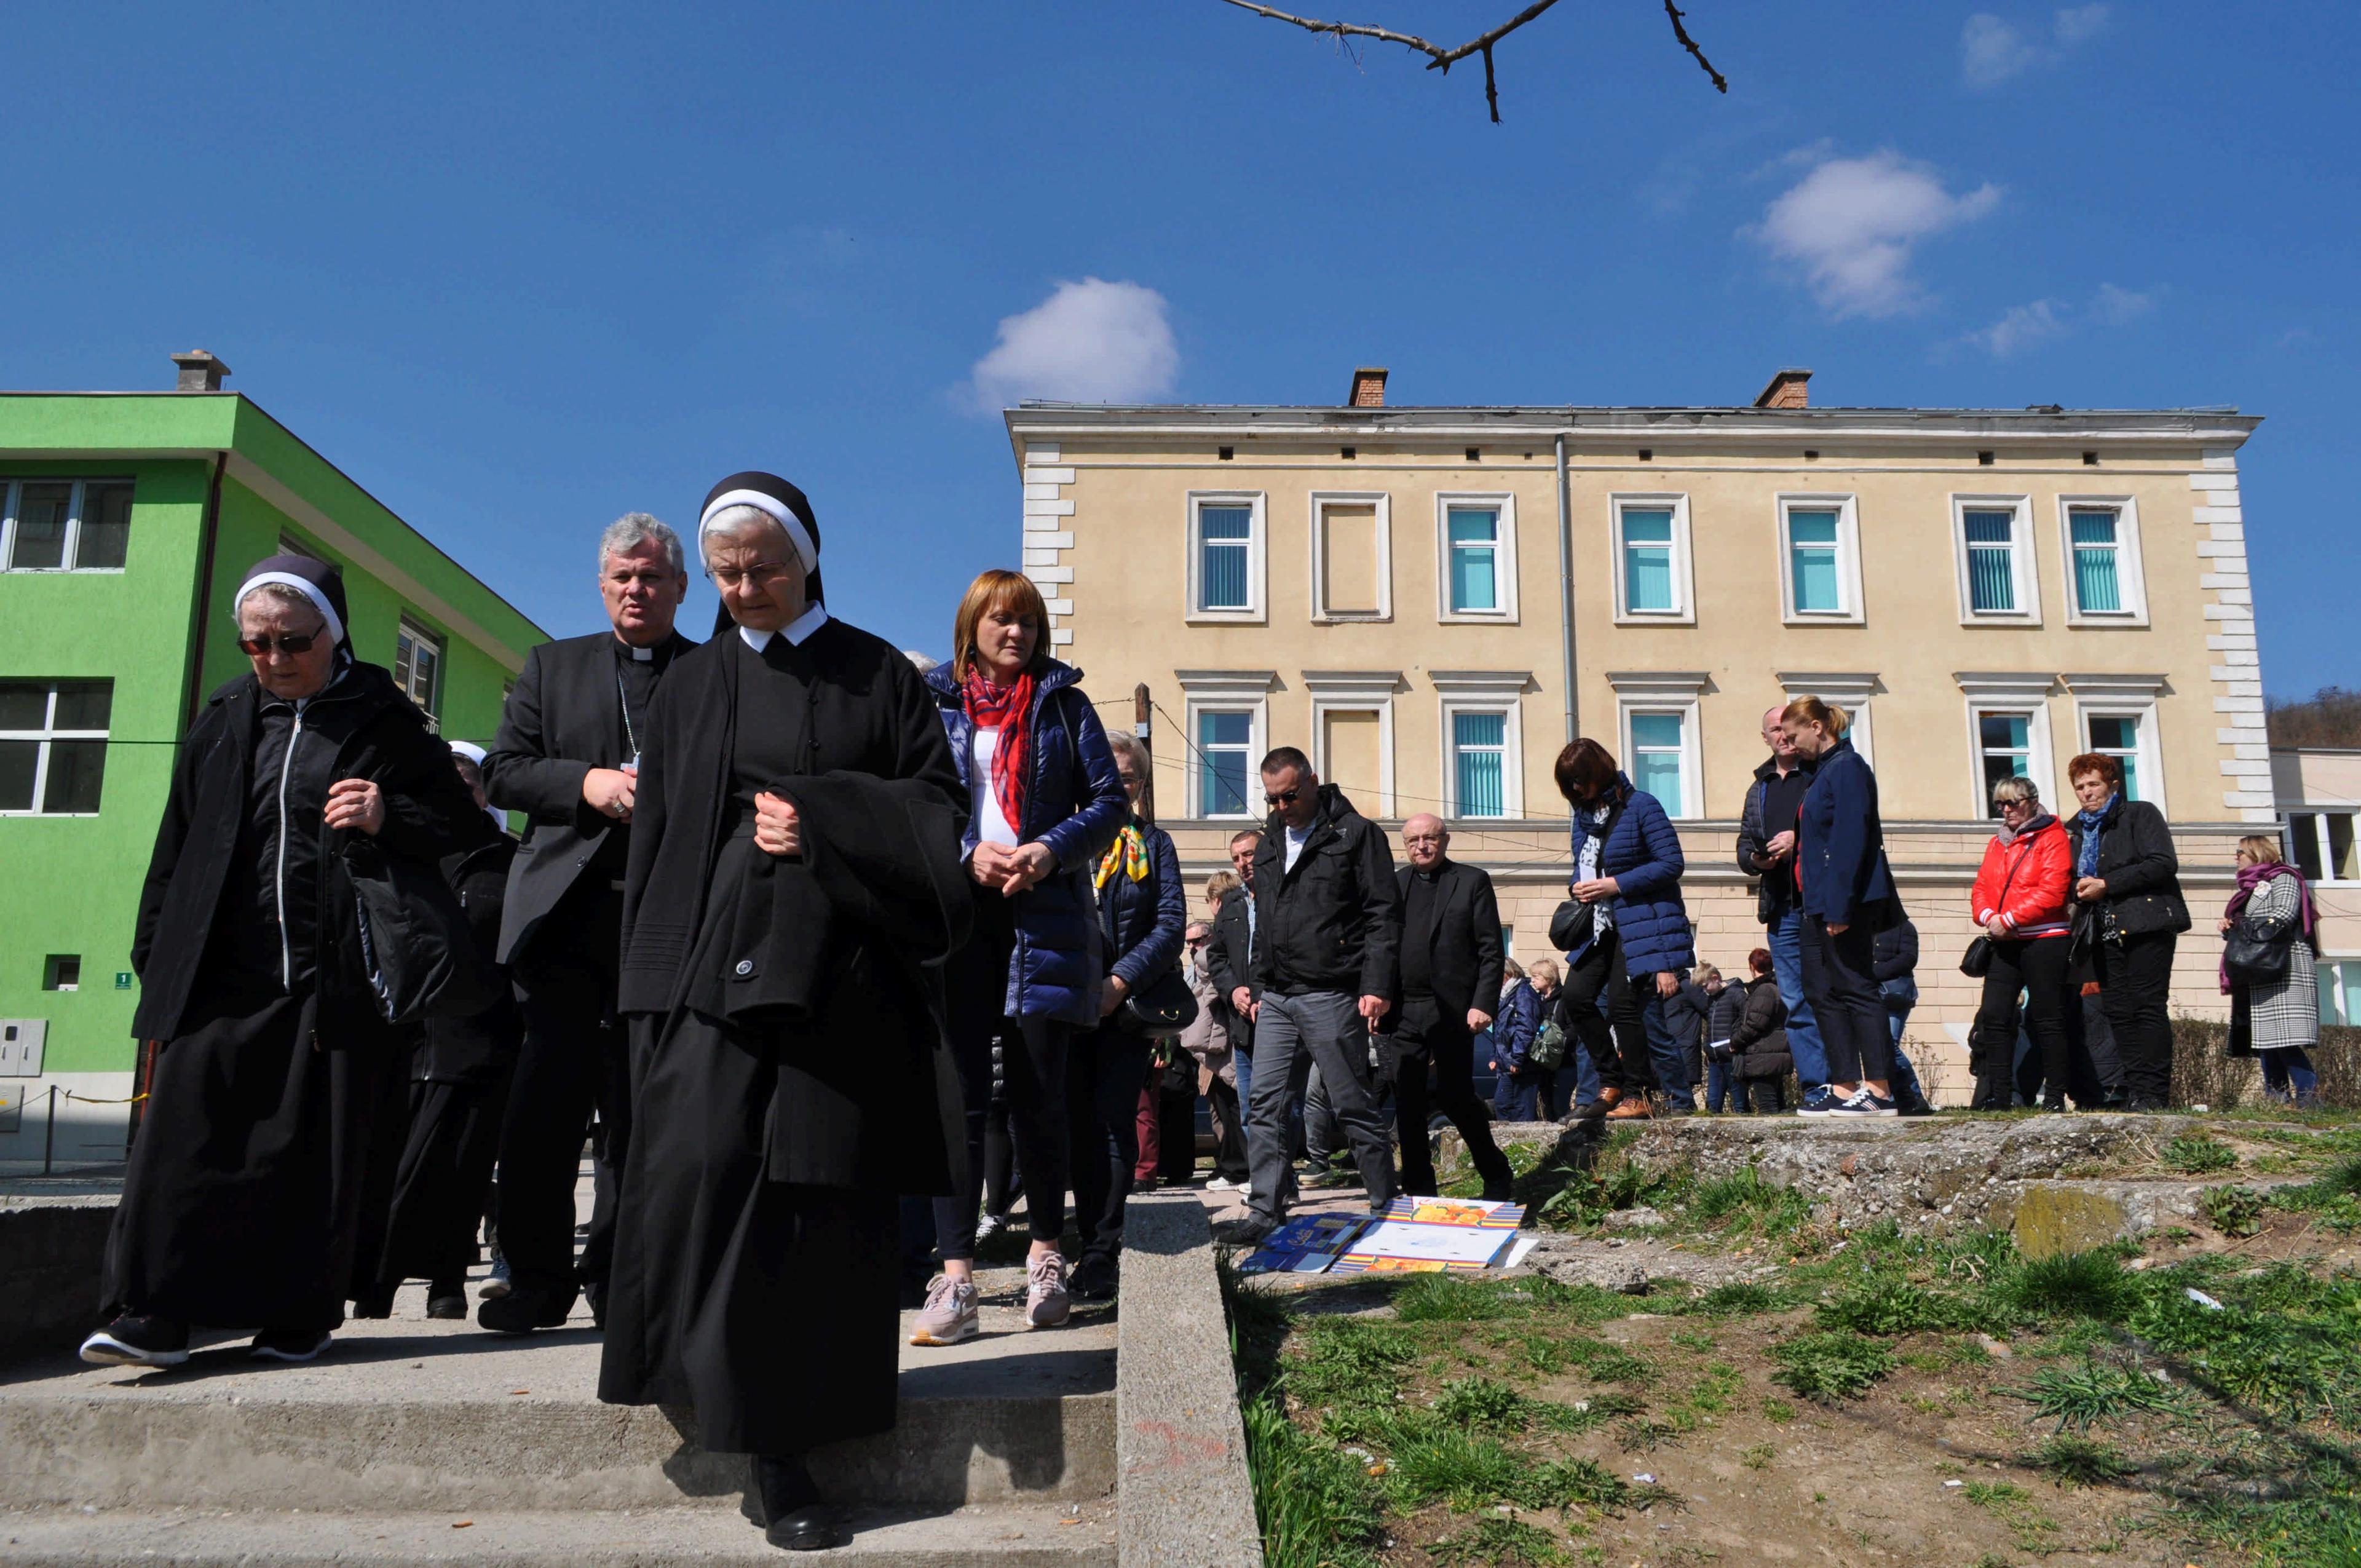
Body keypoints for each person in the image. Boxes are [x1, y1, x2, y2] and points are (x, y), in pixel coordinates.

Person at [597, 471, 971, 1552]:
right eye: (726, 573)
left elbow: (934, 808)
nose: (745, 587)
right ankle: (709, 1390)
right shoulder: (692, 683)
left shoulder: (879, 677)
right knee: (704, 1171)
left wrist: (820, 823)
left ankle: (789, 1451)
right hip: (709, 976)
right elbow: (660, 844)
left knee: (816, 1207)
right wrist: (649, 989)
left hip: (838, 980)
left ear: (808, 559)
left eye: (764, 568)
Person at [82, 556, 489, 1369]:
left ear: (332, 636)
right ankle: (153, 1311)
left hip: (333, 971)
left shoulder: (384, 720)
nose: (273, 659)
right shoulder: (227, 715)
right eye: (256, 643)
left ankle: (296, 1316)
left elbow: (459, 827)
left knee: (316, 1150)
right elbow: (181, 839)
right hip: (222, 967)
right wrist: (157, 947)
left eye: (291, 641)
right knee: (185, 1136)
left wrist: (385, 814)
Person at [477, 513, 696, 1334]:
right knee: (543, 1111)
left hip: (663, 923)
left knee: (642, 1114)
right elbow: (503, 772)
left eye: (651, 578)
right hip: (564, 921)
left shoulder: (713, 674)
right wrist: (590, 783)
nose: (636, 590)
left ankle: (625, 1278)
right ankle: (533, 1278)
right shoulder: (553, 665)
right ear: (602, 585)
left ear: (680, 586)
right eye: (622, 579)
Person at [915, 569, 1126, 1341]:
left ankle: (1045, 1257)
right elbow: (919, 802)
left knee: (1041, 1100)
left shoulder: (1065, 706)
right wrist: (969, 850)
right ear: (972, 624)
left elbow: (1110, 804)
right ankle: (958, 1279)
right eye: (1003, 621)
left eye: (1029, 624)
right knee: (961, 1104)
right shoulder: (933, 706)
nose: (1017, 635)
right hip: (960, 920)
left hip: (1046, 923)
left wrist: (1048, 850)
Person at [359, 743, 523, 1319]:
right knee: (398, 1166)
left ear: (485, 794)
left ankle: (447, 1281)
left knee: (464, 1167)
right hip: (400, 1036)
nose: (458, 796)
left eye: (469, 785)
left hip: (482, 1034)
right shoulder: (399, 853)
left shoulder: (512, 860)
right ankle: (375, 1284)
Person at [1230, 749, 1401, 1245]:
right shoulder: (1269, 844)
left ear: (1313, 781)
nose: (1282, 806)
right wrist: (1260, 985)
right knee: (1264, 1105)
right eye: (1272, 798)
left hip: (1332, 992)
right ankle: (1266, 1210)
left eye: (1290, 795)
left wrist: (1375, 986)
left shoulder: (1356, 834)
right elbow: (1265, 925)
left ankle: (1384, 1206)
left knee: (1350, 1103)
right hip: (1279, 997)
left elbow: (1382, 914)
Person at [1063, 729, 1185, 1301]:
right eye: (1106, 775)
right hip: (1059, 1004)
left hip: (1120, 1009)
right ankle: (1066, 1238)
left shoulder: (1153, 844)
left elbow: (1169, 926)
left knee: (1114, 1125)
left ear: (1138, 788)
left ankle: (1100, 1252)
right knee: (1068, 1128)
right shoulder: (1058, 840)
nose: (1117, 785)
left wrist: (1118, 981)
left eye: (1128, 777)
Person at [1554, 738, 1693, 1121]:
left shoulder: (1642, 806)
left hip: (1639, 923)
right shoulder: (1582, 818)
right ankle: (1611, 1082)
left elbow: (1671, 863)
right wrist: (1577, 886)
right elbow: (1584, 866)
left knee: (1624, 1007)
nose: (1578, 790)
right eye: (1570, 784)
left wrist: (1615, 884)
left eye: (1581, 780)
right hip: (1598, 927)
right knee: (1577, 998)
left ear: (1599, 771)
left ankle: (1640, 1093)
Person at [1782, 696, 1906, 1118]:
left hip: (1843, 902)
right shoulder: (1820, 775)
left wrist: (1840, 907)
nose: (1789, 744)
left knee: (1856, 986)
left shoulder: (1848, 768)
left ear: (1818, 727)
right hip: (1814, 903)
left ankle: (1880, 1090)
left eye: (1794, 735)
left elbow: (1851, 840)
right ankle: (1843, 1086)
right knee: (1820, 991)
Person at [1387, 815, 1516, 1200]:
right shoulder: (1396, 885)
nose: (1421, 846)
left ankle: (1495, 1173)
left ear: (1444, 841)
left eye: (1429, 838)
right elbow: (1383, 946)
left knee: (1455, 1096)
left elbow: (1491, 951)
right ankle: (1418, 1188)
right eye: (1413, 840)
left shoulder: (1472, 881)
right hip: (1405, 1009)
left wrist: (1482, 1004)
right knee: (1407, 1100)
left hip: (1454, 1009)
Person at [2065, 754, 2190, 1112]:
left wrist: (2107, 884)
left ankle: (2154, 1093)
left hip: (2147, 922)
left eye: (2094, 784)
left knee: (2147, 1007)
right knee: (2119, 1010)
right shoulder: (2076, 831)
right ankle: (2136, 1091)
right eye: (2080, 787)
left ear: (2112, 784)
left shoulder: (2140, 813)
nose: (2087, 793)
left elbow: (2163, 863)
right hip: (2101, 930)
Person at [1968, 776, 2094, 1112]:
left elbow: (2052, 890)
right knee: (1994, 1016)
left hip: (2046, 939)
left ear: (2033, 801)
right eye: (2000, 804)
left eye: (2013, 802)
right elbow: (1981, 886)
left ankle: (2054, 1097)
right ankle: (1999, 1095)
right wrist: (1987, 915)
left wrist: (2008, 920)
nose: (2007, 810)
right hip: (2003, 940)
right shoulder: (1998, 843)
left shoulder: (2053, 837)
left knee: (2047, 1018)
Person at [1736, 703, 1837, 1114]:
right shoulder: (1758, 788)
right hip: (1780, 907)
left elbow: (1840, 831)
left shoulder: (1820, 775)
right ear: (1766, 738)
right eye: (1774, 730)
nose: (1782, 736)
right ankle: (1817, 1089)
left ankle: (1859, 1085)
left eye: (1786, 728)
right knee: (1795, 1001)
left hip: (1821, 904)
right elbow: (1745, 844)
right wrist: (1756, 861)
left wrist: (1801, 841)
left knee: (1833, 995)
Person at [2221, 834, 2321, 1104]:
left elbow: (2284, 915)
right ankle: (2277, 1098)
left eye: (2240, 851)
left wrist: (2242, 926)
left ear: (2256, 852)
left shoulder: (2284, 878)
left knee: (2285, 1037)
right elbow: (2255, 923)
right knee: (2266, 1039)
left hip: (2284, 966)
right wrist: (2232, 926)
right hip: (2261, 968)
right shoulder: (2251, 888)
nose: (2236, 857)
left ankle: (2308, 1095)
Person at [1203, 831, 1265, 1199]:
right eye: (1237, 858)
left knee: (1276, 1109)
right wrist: (1234, 991)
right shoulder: (1233, 904)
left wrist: (1260, 993)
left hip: (1276, 1017)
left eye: (1250, 854)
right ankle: (1263, 1181)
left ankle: (1279, 1179)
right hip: (1242, 1023)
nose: (1244, 863)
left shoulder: (1281, 896)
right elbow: (1218, 958)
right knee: (1247, 1111)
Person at [1179, 921, 1249, 1189]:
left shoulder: (1213, 962)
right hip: (1207, 1049)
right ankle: (1230, 1166)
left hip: (1224, 1045)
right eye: (1189, 943)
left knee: (1235, 1107)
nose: (1192, 948)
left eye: (1197, 941)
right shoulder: (1194, 968)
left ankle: (1241, 1168)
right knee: (1219, 1108)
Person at [1872, 917, 1936, 1115]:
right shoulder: (1862, 924)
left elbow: (1908, 958)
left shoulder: (1904, 927)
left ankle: (1913, 1096)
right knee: (1876, 1048)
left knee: (1888, 1045)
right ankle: (1893, 1097)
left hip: (1894, 996)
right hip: (1868, 995)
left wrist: (1873, 972)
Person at [1730, 948, 1792, 1114]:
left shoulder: (1764, 990)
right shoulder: (1775, 988)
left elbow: (1755, 1024)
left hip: (1762, 1056)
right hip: (1772, 1053)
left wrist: (1735, 1041)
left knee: (1768, 1109)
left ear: (1752, 967)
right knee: (1779, 1107)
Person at [1491, 959, 1542, 1120]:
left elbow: (1526, 1028)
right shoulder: (1504, 996)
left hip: (1521, 1064)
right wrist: (1495, 1057)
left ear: (1507, 974)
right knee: (1503, 1104)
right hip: (1507, 1062)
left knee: (1520, 1108)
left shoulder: (1523, 993)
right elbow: (1500, 1030)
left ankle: (1525, 1143)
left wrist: (1517, 1058)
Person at [1663, 965, 1712, 1117]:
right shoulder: (1658, 990)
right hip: (1669, 1048)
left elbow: (1709, 1010)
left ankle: (1683, 1109)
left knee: (1682, 1088)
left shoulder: (1688, 986)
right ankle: (1684, 1110)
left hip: (1685, 1046)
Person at [1700, 965, 1743, 1114]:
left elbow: (1747, 1020)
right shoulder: (1711, 1000)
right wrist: (1707, 1047)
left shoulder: (1737, 994)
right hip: (1715, 1059)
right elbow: (1709, 1026)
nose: (1705, 990)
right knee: (1712, 1105)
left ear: (1715, 978)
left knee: (1740, 1103)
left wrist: (1736, 1042)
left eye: (1706, 986)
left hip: (1733, 1057)